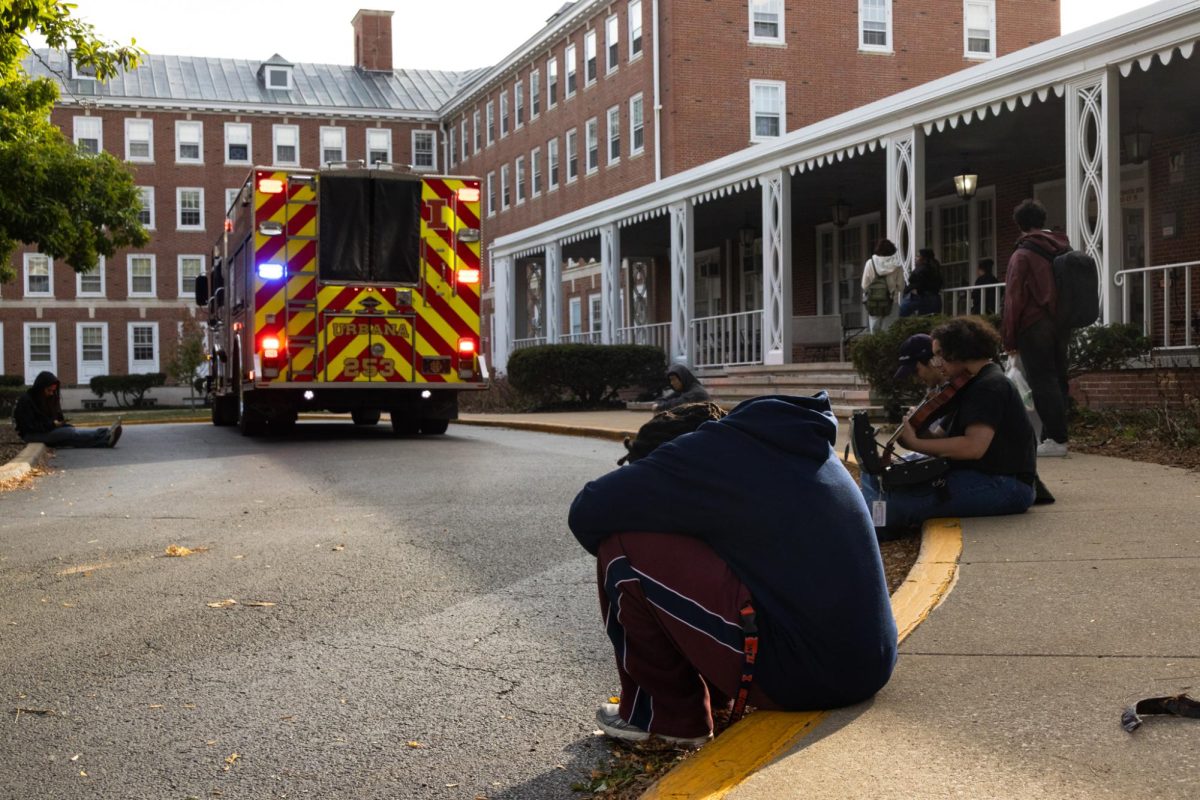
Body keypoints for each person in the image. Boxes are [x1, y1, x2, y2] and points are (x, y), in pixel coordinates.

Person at [569, 393, 898, 747]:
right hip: (868, 663)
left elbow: (588, 510)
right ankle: (709, 691)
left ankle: (667, 720)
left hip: (810, 679)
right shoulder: (787, 440)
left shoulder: (708, 454)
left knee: (622, 549)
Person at [859, 316, 1037, 540]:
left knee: (894, 505)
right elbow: (941, 438)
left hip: (1006, 485)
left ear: (958, 351)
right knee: (877, 477)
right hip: (981, 477)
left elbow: (974, 447)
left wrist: (916, 443)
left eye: (939, 354)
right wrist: (918, 430)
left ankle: (870, 531)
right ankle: (871, 520)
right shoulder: (969, 385)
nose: (936, 362)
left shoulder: (990, 386)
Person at [1001, 199, 1070, 457]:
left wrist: (1009, 337)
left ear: (1019, 224)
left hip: (1033, 324)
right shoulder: (1062, 248)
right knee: (1059, 378)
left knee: (1042, 380)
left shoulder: (1022, 254)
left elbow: (1014, 299)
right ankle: (1057, 434)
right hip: (1061, 322)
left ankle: (1055, 439)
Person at [13, 372, 122, 448]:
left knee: (70, 437)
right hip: (32, 435)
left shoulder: (49, 399)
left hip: (47, 430)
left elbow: (55, 417)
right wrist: (53, 424)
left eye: (53, 391)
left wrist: (59, 422)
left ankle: (106, 440)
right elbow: (30, 426)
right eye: (48, 390)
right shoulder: (26, 400)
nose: (51, 393)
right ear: (40, 387)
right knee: (69, 432)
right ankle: (105, 434)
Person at [861, 238, 904, 333]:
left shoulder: (870, 263)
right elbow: (901, 287)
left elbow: (864, 285)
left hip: (874, 303)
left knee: (875, 333)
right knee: (890, 332)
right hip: (892, 301)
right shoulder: (897, 265)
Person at [899, 248, 944, 318]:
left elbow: (917, 283)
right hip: (935, 298)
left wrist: (908, 289)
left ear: (923, 258)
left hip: (921, 297)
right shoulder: (936, 269)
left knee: (902, 314)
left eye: (918, 256)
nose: (915, 258)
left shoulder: (921, 269)